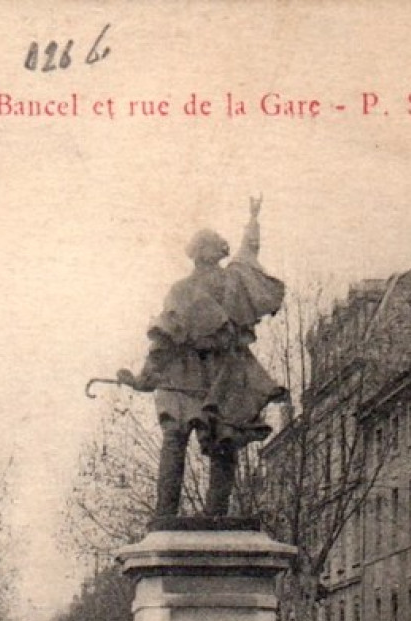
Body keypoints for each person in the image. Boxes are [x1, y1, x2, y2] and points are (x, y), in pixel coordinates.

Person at [118, 197, 290, 519]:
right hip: (202, 373)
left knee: (209, 438)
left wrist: (252, 221)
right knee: (192, 439)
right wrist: (144, 378)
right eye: (209, 248)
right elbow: (165, 336)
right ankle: (180, 515)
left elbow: (247, 254)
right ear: (201, 253)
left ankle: (197, 516)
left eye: (212, 248)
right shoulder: (199, 287)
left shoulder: (219, 282)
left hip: (210, 373)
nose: (211, 255)